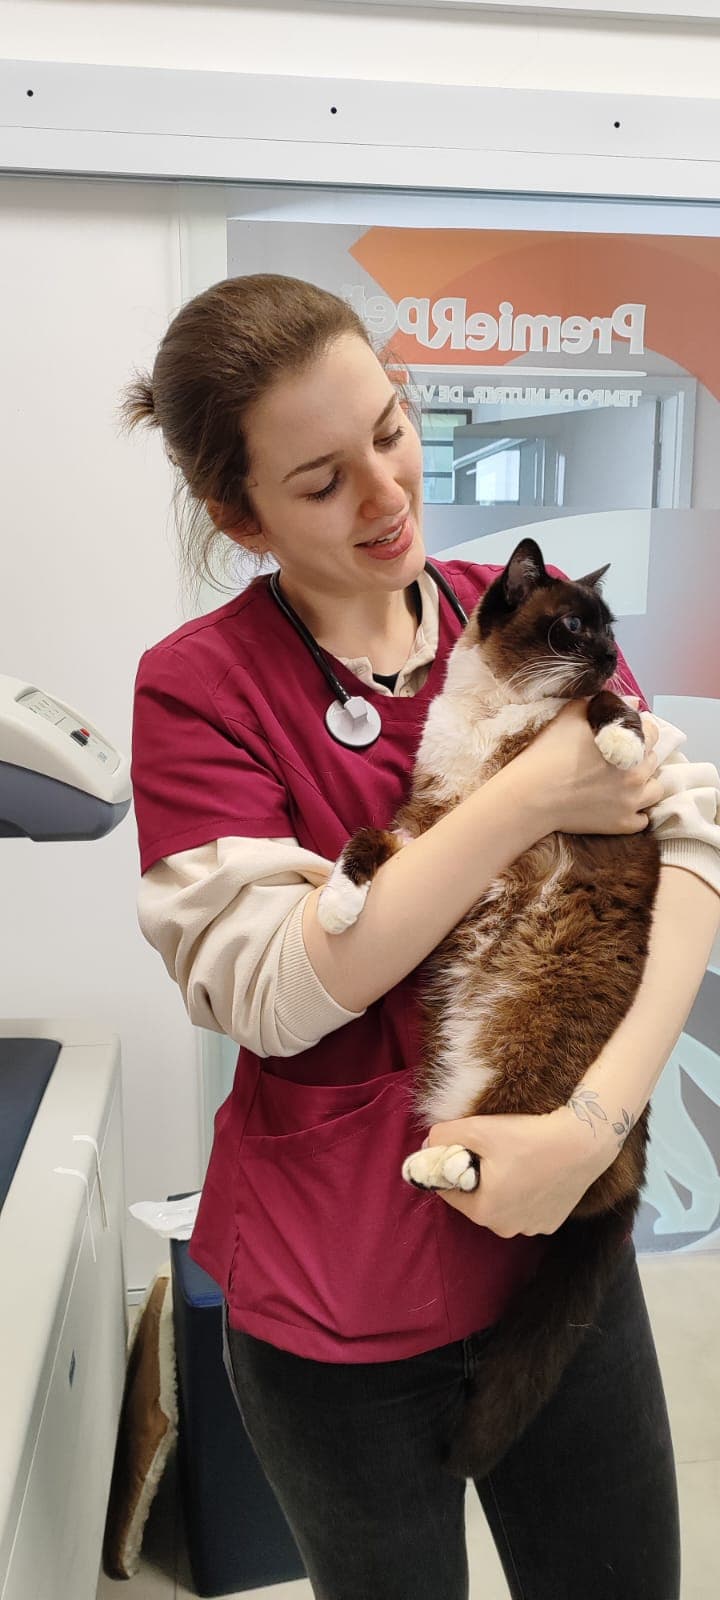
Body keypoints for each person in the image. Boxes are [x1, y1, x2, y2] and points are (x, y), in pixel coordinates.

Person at [128, 274, 720, 1600]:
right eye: (323, 481)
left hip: (558, 1241)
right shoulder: (199, 688)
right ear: (243, 516)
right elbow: (281, 992)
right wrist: (527, 797)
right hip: (336, 1305)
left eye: (391, 431)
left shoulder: (519, 611)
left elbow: (691, 845)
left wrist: (592, 1125)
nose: (389, 495)